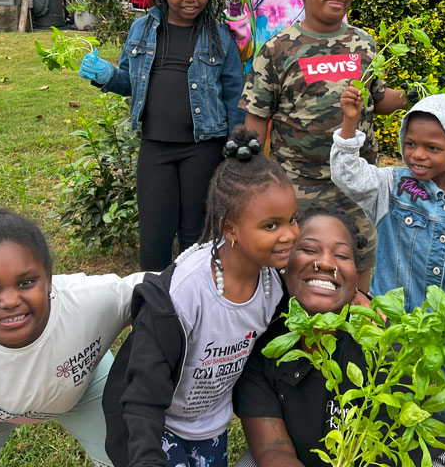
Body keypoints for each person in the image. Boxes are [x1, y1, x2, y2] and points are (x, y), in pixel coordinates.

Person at [102, 126, 299, 467]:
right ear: (228, 228)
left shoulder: (273, 285)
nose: (289, 235)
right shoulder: (182, 294)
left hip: (210, 427)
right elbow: (143, 392)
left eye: (292, 220)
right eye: (271, 226)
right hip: (160, 426)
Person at [232, 205, 445, 467]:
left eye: (341, 255)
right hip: (297, 457)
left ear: (356, 281)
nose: (325, 262)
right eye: (309, 249)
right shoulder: (263, 343)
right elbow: (273, 450)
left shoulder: (382, 344)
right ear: (283, 265)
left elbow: (396, 449)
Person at [331, 90, 445, 431]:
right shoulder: (391, 186)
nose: (417, 155)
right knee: (379, 399)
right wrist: (350, 123)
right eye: (410, 144)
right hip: (390, 323)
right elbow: (347, 175)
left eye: (432, 148)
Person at [0, 205, 144, 467]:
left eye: (26, 283)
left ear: (49, 279)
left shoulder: (93, 300)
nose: (11, 301)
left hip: (85, 387)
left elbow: (169, 287)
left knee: (129, 460)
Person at [240, 0, 408, 287]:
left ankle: (353, 329)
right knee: (296, 262)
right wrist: (251, 171)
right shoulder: (278, 48)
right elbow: (257, 117)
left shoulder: (364, 44)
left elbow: (378, 99)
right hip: (299, 184)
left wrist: (412, 96)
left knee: (357, 258)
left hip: (357, 183)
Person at [78, 0, 245, 271]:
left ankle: (194, 306)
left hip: (204, 148)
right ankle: (151, 308)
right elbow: (130, 81)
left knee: (195, 236)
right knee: (154, 234)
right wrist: (108, 76)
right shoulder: (141, 30)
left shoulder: (218, 35)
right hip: (155, 147)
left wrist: (235, 145)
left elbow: (234, 93)